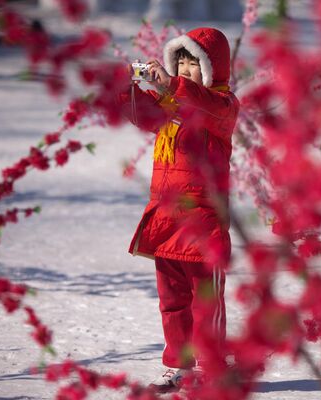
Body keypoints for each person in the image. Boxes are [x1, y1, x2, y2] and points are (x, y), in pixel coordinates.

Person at [118, 27, 239, 393]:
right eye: (180, 65)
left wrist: (173, 85)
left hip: (203, 223)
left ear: (212, 70)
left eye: (193, 66)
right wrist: (128, 89)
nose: (185, 72)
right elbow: (142, 116)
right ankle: (178, 365)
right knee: (172, 301)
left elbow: (203, 104)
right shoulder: (171, 108)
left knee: (206, 302)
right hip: (166, 218)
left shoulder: (223, 106)